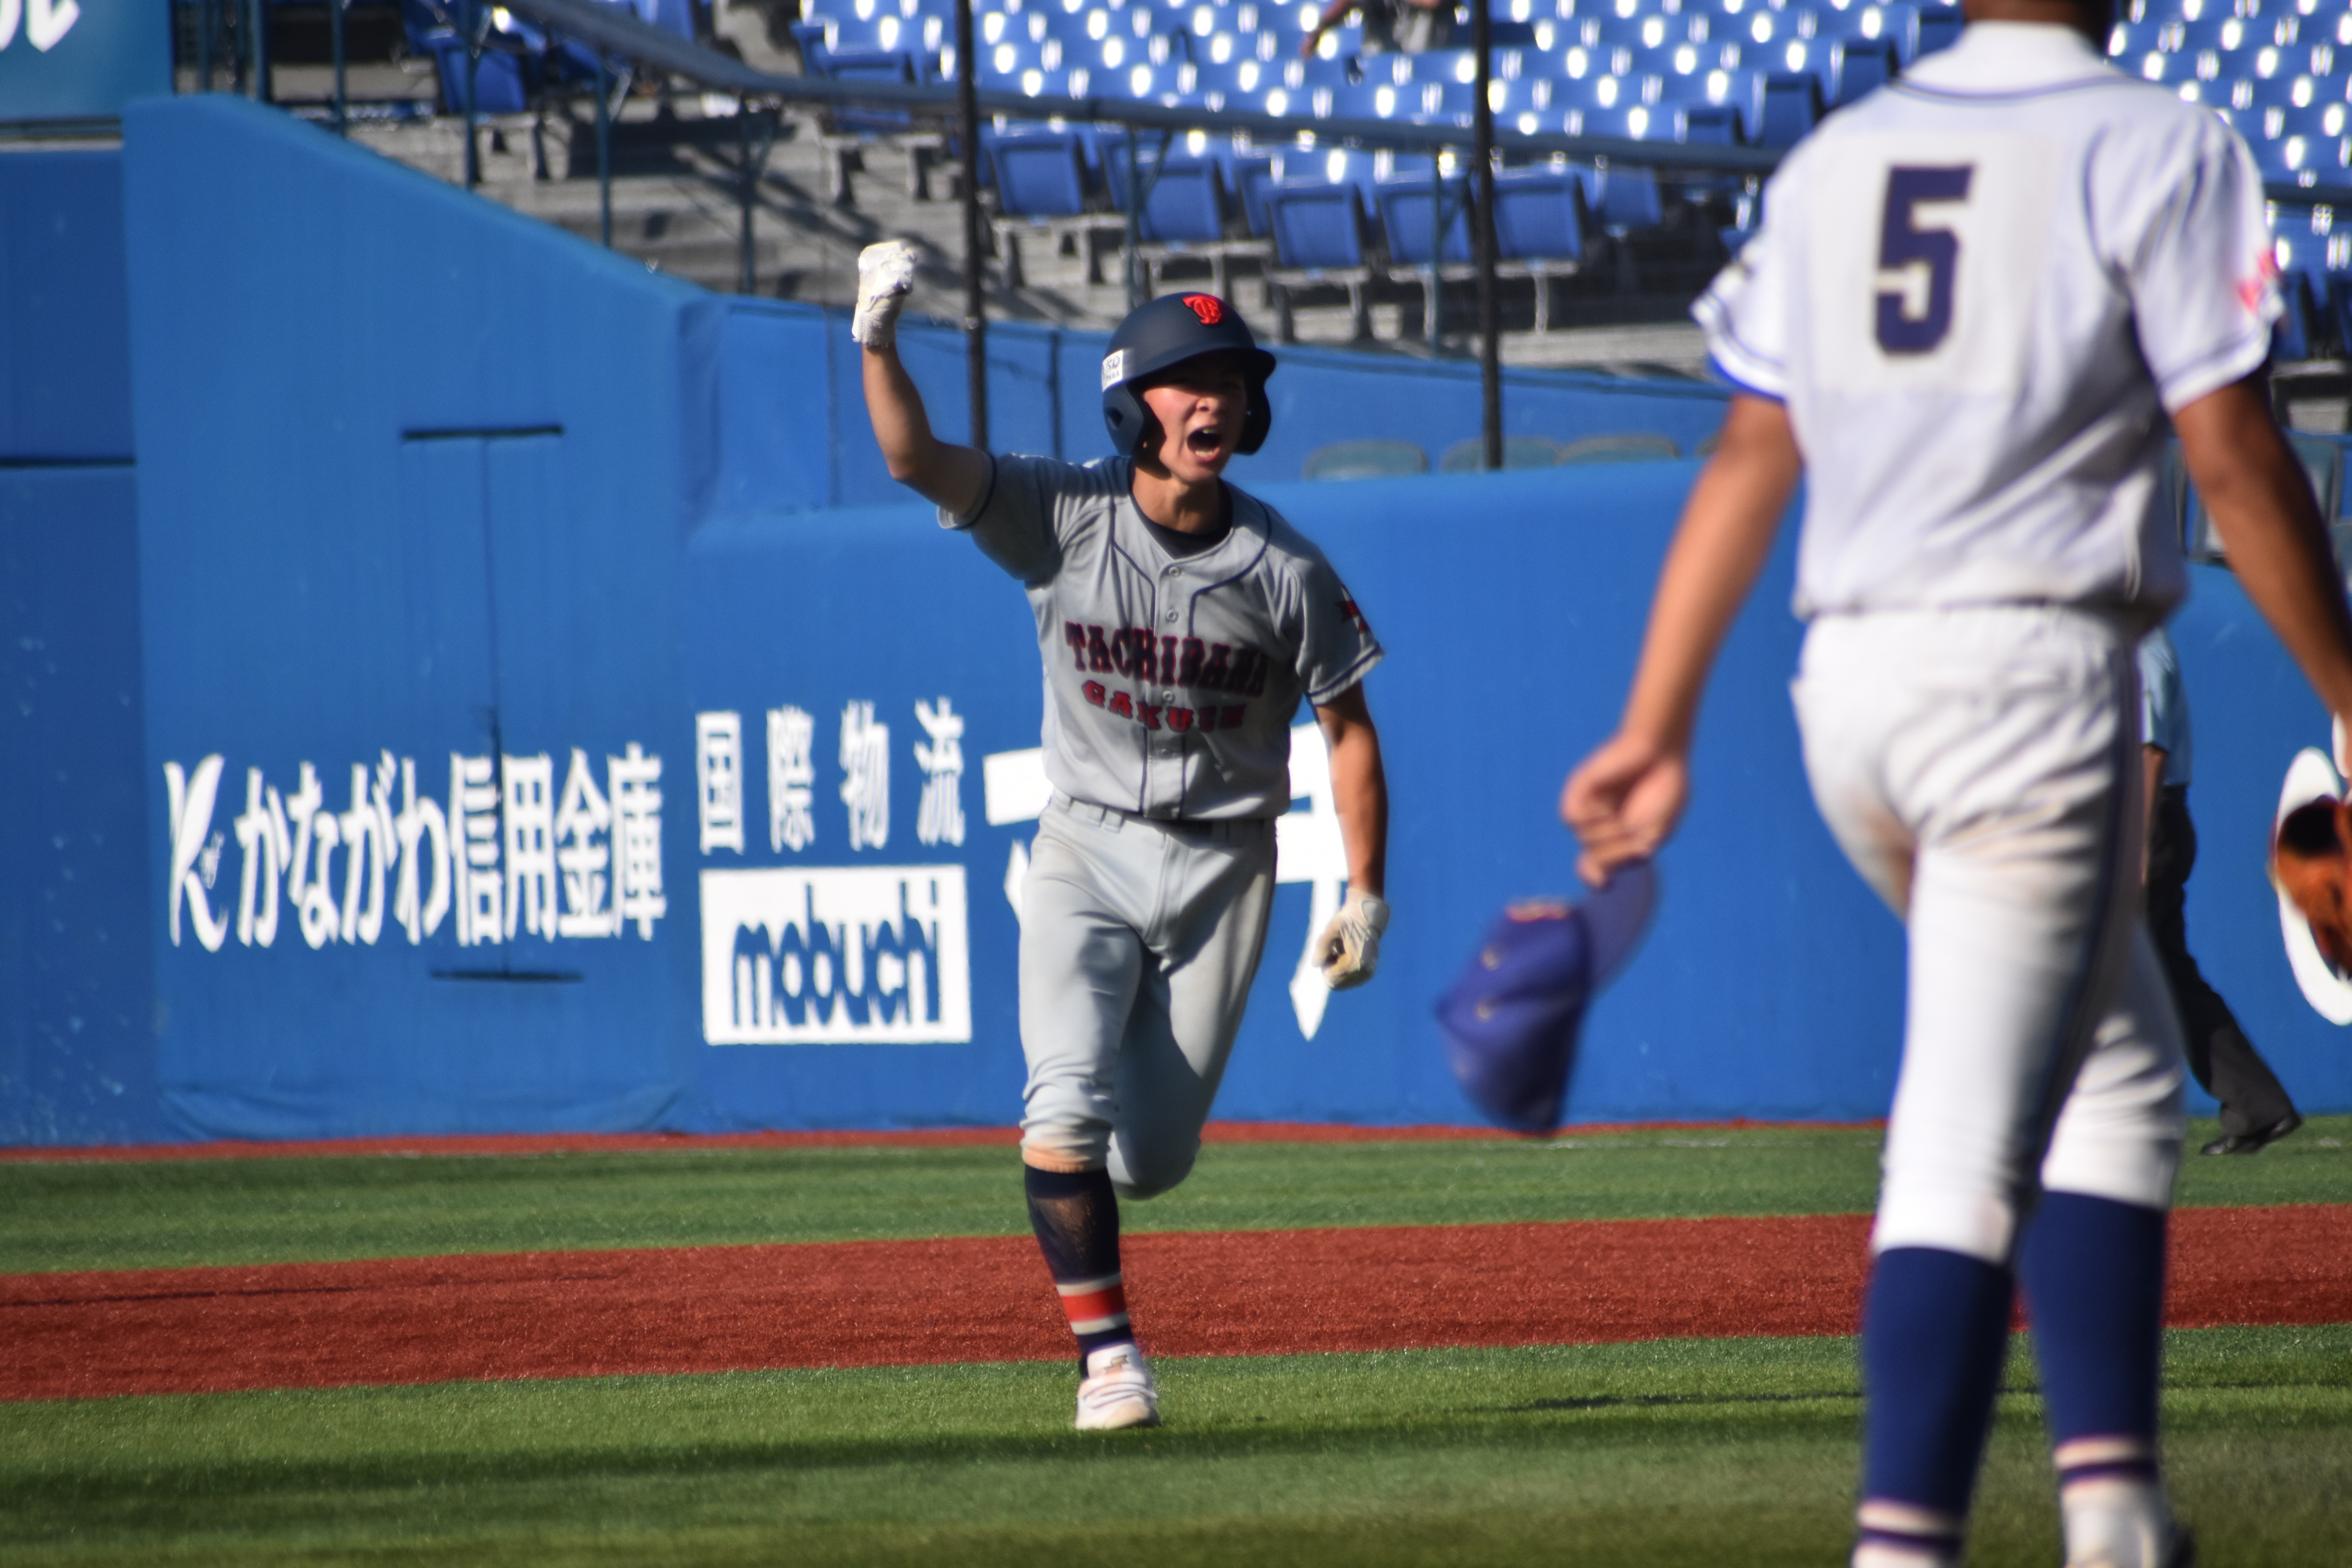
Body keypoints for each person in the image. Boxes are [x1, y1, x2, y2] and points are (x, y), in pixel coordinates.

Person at [1557, 2, 2352, 1564]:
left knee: (2116, 1077)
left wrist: (1657, 719)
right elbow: (2237, 451)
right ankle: (1905, 1539)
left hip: (1854, 684)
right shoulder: (2158, 140)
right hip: (2028, 680)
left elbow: (1745, 457)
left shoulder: (1845, 154)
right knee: (1969, 1126)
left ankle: (2118, 1510)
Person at [850, 245, 1392, 1432]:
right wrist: (876, 341)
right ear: (1132, 401)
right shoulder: (1060, 513)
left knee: (1151, 1161)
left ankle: (1113, 1279)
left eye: (1232, 382)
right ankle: (1108, 1360)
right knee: (1061, 1109)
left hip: (1222, 865)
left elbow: (1346, 729)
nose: (1214, 399)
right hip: (1084, 846)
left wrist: (1363, 893)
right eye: (1187, 378)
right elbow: (911, 458)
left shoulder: (1283, 564)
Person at [2140, 626, 2303, 1156]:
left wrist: (2137, 846)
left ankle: (2074, 1127)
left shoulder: (2139, 642)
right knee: (2167, 973)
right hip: (2154, 821)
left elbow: (2149, 750)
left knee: (2097, 974)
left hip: (2146, 823)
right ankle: (2257, 1103)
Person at [1300, 0, 1454, 57]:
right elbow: (1346, 3)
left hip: (1422, 53)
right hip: (1383, 54)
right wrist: (1321, 29)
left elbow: (1434, 2)